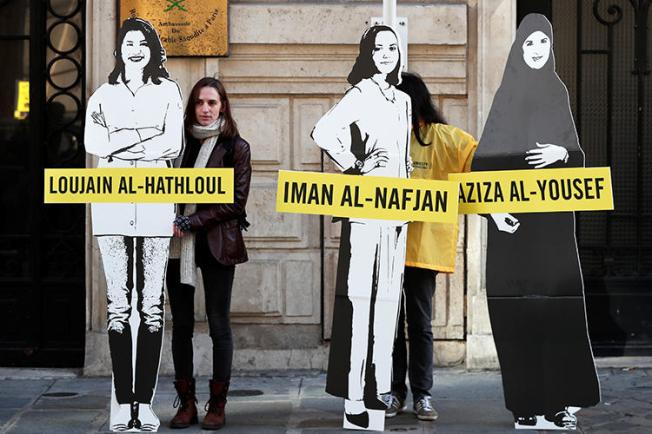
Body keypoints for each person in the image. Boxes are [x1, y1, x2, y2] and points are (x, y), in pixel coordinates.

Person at [472, 14, 600, 430]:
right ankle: (525, 406)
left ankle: (558, 403)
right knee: (519, 316)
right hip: (513, 230)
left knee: (557, 314)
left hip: (551, 231)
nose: (537, 50)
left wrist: (561, 156)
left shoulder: (557, 92)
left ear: (551, 48)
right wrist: (493, 211)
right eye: (529, 43)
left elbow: (577, 156)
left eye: (543, 42)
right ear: (519, 49)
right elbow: (481, 167)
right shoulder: (506, 96)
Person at [84, 18, 184, 431]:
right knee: (118, 308)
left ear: (153, 49)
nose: (136, 49)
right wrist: (142, 140)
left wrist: (121, 141)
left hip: (156, 203)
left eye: (143, 43)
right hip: (110, 204)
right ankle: (123, 403)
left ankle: (144, 403)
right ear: (119, 51)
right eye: (129, 43)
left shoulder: (168, 92)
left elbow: (173, 142)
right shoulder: (102, 95)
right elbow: (94, 143)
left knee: (152, 306)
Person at [311, 25, 411, 430]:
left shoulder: (403, 100)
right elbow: (323, 130)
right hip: (366, 207)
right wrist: (353, 165)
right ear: (368, 54)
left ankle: (380, 386)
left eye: (392, 47)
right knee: (359, 301)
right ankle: (354, 393)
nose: (386, 54)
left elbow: (404, 157)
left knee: (389, 301)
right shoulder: (360, 94)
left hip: (397, 211)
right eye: (379, 48)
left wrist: (407, 200)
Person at [384, 72, 477, 421]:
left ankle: (422, 394)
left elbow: (479, 162)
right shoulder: (383, 138)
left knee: (419, 326)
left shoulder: (442, 138)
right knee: (392, 328)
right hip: (388, 248)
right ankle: (395, 393)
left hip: (422, 250)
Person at [166, 77, 252, 431]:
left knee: (218, 324)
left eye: (212, 103)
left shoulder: (236, 147)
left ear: (223, 107)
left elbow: (235, 202)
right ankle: (186, 403)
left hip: (216, 243)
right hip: (177, 247)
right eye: (200, 102)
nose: (205, 109)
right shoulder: (177, 145)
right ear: (192, 106)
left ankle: (217, 404)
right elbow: (161, 186)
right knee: (181, 325)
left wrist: (192, 220)